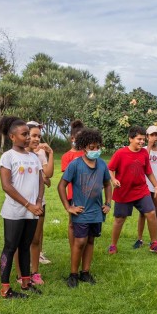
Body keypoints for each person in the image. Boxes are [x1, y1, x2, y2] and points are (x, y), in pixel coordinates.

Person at [58, 127, 112, 288]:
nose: (95, 150)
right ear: (83, 148)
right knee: (79, 241)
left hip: (96, 212)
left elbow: (108, 184)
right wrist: (68, 207)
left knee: (90, 241)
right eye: (91, 148)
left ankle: (85, 272)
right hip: (81, 211)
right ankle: (73, 274)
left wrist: (108, 203)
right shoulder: (75, 165)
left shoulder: (102, 164)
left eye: (98, 147)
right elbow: (61, 186)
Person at [0, 116, 44, 299]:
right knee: (10, 247)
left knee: (25, 246)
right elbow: (6, 186)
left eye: (28, 134)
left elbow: (40, 181)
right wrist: (28, 205)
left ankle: (26, 282)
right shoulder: (7, 157)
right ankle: (5, 288)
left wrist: (38, 202)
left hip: (32, 211)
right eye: (24, 134)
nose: (28, 138)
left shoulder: (34, 157)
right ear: (12, 137)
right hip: (15, 212)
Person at [107, 125, 157, 254]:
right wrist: (113, 179)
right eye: (139, 139)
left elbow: (148, 172)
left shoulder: (144, 153)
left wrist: (156, 186)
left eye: (143, 139)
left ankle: (154, 243)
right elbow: (110, 168)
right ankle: (113, 245)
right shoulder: (120, 153)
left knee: (151, 213)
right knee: (119, 219)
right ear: (130, 139)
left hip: (141, 190)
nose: (141, 142)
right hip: (123, 191)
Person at [15, 121, 53, 284]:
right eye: (33, 135)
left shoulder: (39, 156)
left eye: (39, 136)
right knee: (20, 241)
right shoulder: (15, 156)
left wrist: (50, 154)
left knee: (36, 239)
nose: (36, 139)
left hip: (39, 204)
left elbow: (46, 176)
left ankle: (35, 272)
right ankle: (20, 275)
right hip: (20, 204)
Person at [135, 125, 157, 249]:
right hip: (144, 186)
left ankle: (154, 239)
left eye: (156, 135)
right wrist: (149, 145)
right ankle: (139, 239)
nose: (154, 137)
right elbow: (143, 161)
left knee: (156, 213)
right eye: (152, 135)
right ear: (147, 136)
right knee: (143, 213)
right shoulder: (143, 149)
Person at [61, 120, 85, 253]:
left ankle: (84, 247)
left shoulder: (87, 154)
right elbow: (68, 178)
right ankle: (73, 249)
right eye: (79, 138)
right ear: (72, 138)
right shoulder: (67, 156)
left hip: (89, 194)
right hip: (73, 195)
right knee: (72, 223)